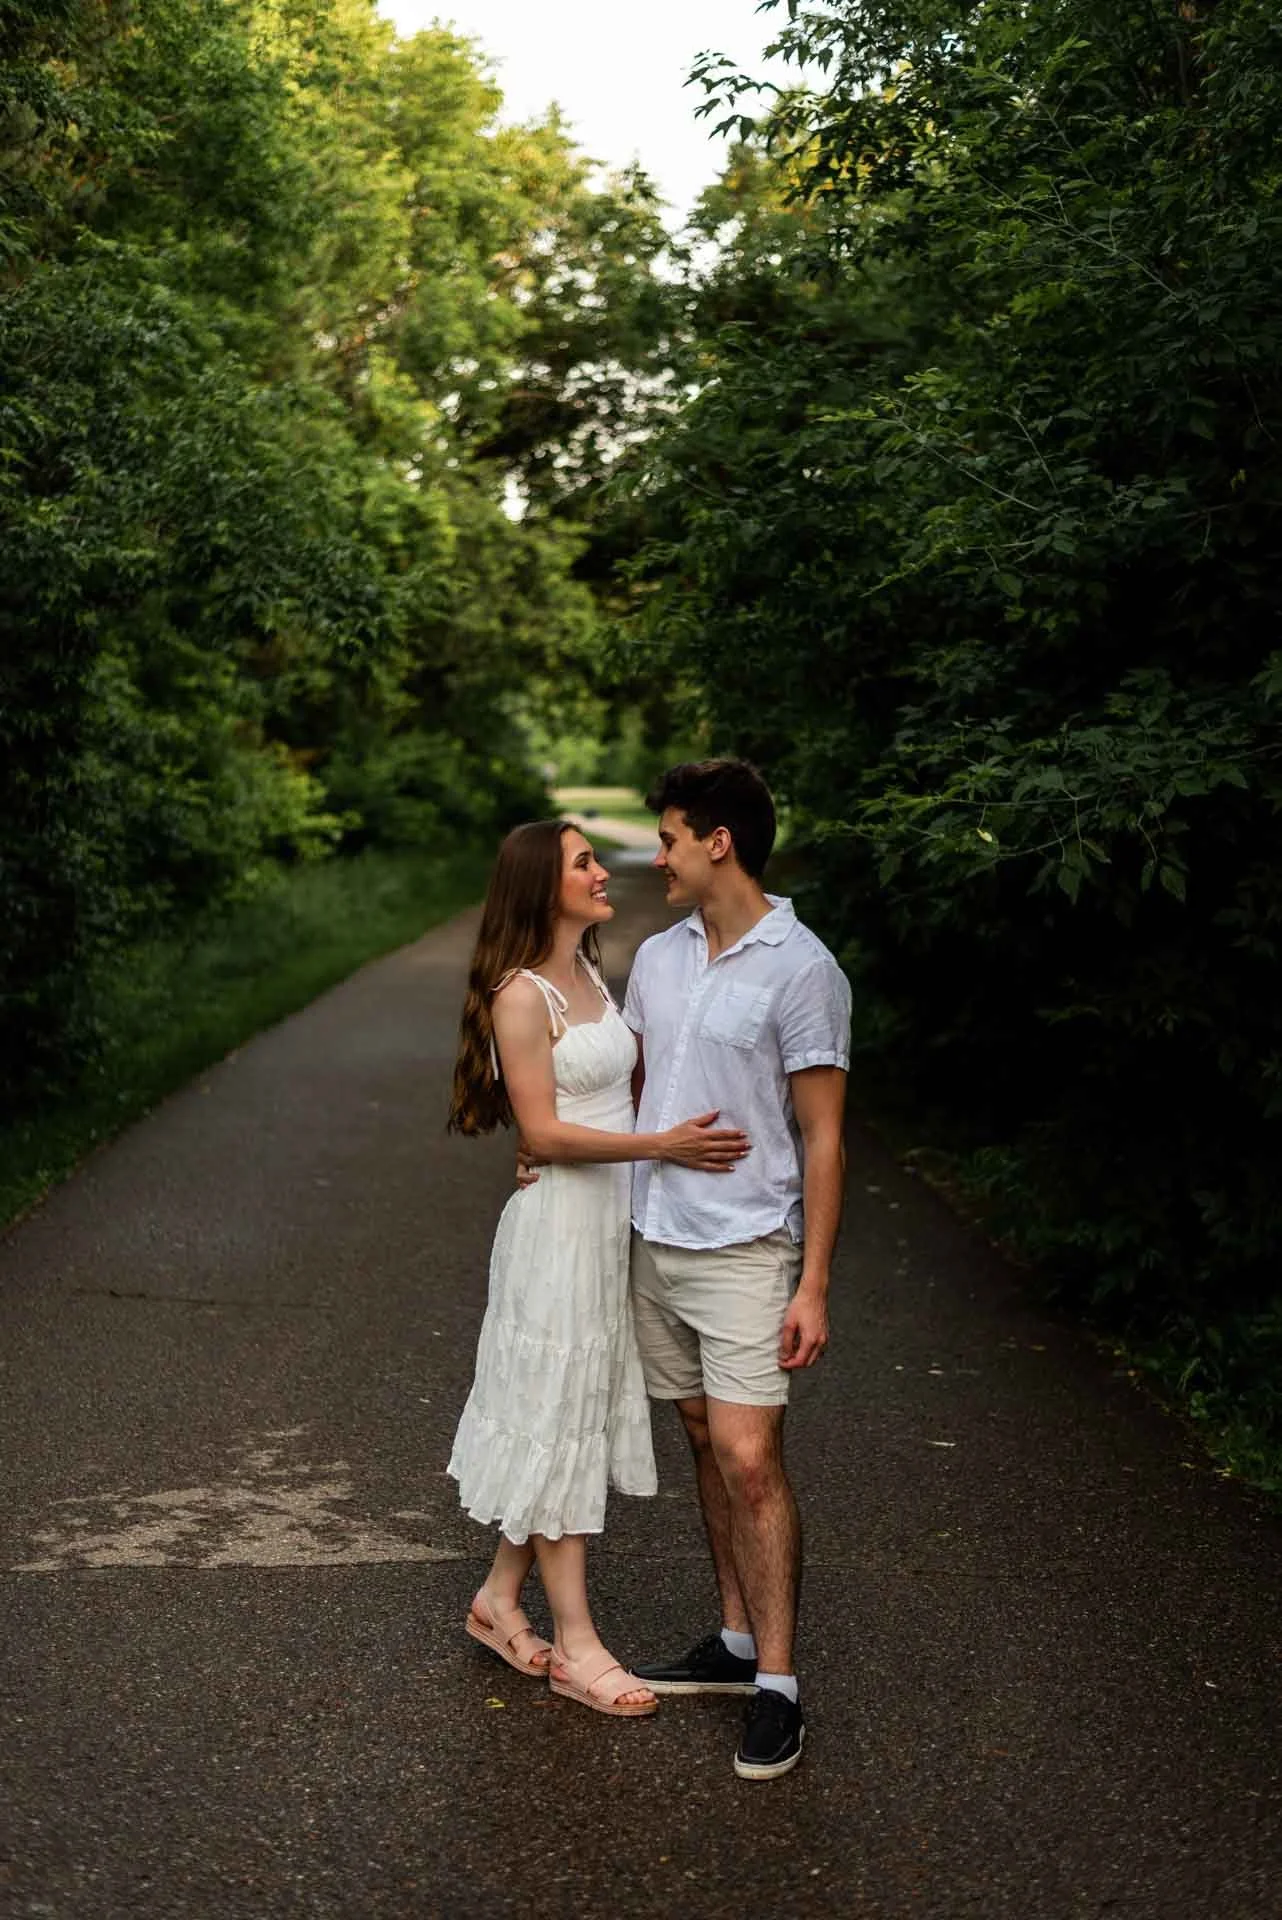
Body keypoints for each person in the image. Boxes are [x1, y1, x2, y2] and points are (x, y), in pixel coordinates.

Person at [446, 818, 751, 1718]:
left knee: (566, 1415)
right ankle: (578, 1647)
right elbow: (542, 1132)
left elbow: (609, 1094)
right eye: (584, 862)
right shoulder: (520, 994)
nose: (603, 871)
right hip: (557, 1236)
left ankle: (498, 1601)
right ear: (544, 886)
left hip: (606, 1228)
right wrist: (661, 1147)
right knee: (557, 1418)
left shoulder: (589, 972)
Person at [622, 760, 851, 1780]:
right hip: (656, 1239)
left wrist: (813, 1283)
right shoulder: (657, 956)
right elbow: (631, 1085)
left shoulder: (803, 968)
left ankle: (780, 1688)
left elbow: (824, 1136)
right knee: (700, 1438)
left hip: (749, 1249)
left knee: (751, 1458)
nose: (658, 857)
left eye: (669, 837)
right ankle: (733, 1640)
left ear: (718, 842)